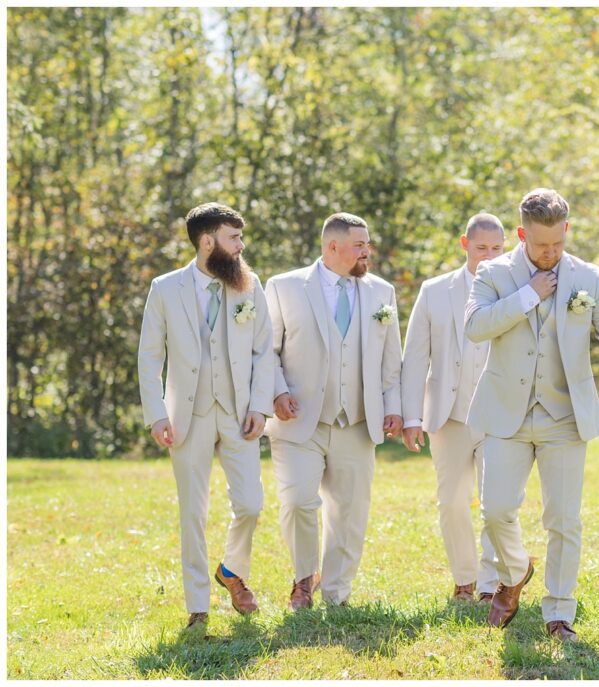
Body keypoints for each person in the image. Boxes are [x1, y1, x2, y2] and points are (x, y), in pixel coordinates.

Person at [465, 188, 599, 641]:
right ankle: (517, 570)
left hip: (564, 415)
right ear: (522, 234)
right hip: (507, 415)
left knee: (564, 519)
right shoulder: (494, 273)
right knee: (496, 511)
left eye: (558, 244)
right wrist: (527, 295)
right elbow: (476, 326)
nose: (551, 253)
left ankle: (559, 612)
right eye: (542, 246)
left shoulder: (587, 275)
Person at [138, 202, 273, 630]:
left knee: (251, 504)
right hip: (186, 417)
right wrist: (157, 414)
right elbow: (149, 356)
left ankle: (231, 570)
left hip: (239, 415)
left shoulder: (250, 286)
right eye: (234, 238)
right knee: (192, 512)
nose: (242, 246)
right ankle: (198, 606)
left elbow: (263, 352)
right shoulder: (165, 288)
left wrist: (259, 406)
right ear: (208, 241)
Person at [264, 212, 403, 610]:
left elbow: (390, 360)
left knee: (350, 511)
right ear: (332, 247)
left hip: (358, 421)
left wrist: (392, 407)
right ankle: (304, 579)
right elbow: (267, 351)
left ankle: (337, 592)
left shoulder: (382, 292)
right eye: (359, 245)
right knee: (298, 503)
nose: (367, 251)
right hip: (298, 419)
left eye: (367, 244)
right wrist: (277, 393)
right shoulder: (285, 287)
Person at [400, 213, 506, 603]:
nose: (490, 256)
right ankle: (464, 576)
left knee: (496, 502)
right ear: (465, 244)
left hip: (499, 415)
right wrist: (412, 416)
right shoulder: (434, 290)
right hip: (448, 414)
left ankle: (491, 583)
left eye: (497, 248)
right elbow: (414, 358)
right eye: (482, 248)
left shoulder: (516, 288)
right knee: (452, 501)